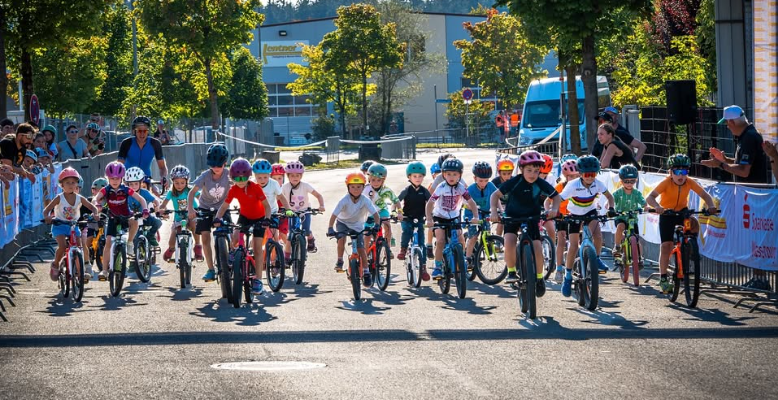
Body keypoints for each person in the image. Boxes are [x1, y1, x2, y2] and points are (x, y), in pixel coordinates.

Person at [490, 151, 560, 294]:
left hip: (532, 217)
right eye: (529, 170)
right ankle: (511, 272)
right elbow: (495, 195)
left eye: (536, 171)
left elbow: (556, 196)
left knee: (537, 247)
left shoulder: (540, 183)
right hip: (512, 216)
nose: (533, 174)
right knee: (509, 241)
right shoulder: (515, 181)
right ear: (521, 169)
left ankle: (539, 278)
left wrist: (554, 209)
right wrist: (494, 211)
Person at [646, 154, 717, 294]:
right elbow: (650, 197)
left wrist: (711, 206)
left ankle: (691, 248)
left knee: (693, 223)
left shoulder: (689, 182)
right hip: (667, 214)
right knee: (666, 246)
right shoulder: (666, 182)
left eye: (684, 172)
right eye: (677, 172)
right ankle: (663, 278)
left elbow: (705, 195)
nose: (681, 175)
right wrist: (658, 207)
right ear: (670, 172)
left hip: (682, 213)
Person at [557, 155, 616, 296]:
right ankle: (567, 276)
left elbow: (610, 197)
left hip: (590, 211)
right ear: (581, 174)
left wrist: (611, 208)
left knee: (598, 236)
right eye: (587, 174)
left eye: (593, 174)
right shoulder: (573, 185)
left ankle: (596, 258)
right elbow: (558, 199)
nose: (590, 178)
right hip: (574, 214)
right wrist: (555, 211)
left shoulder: (598, 184)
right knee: (573, 246)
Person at [213, 158, 272, 295]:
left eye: (243, 178)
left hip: (260, 218)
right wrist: (217, 218)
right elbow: (224, 206)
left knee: (257, 248)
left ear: (249, 177)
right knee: (235, 237)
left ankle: (258, 280)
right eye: (237, 178)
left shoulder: (255, 188)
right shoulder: (233, 189)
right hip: (244, 217)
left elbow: (267, 206)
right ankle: (233, 253)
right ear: (232, 178)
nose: (240, 181)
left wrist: (267, 219)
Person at [92, 161, 149, 281]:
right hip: (113, 218)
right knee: (108, 242)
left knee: (135, 221)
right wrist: (97, 204)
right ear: (108, 178)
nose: (115, 181)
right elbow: (95, 198)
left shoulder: (126, 189)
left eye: (117, 178)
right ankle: (105, 270)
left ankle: (130, 242)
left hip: (126, 217)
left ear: (122, 178)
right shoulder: (105, 190)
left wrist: (145, 209)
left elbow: (141, 199)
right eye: (112, 178)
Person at [425, 158, 479, 280]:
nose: (451, 177)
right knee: (440, 241)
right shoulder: (441, 187)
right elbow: (430, 203)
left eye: (455, 174)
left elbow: (471, 202)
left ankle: (462, 258)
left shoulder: (461, 188)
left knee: (460, 239)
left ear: (460, 175)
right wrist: (429, 219)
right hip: (439, 217)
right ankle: (438, 267)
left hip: (454, 217)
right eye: (448, 174)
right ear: (443, 175)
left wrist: (476, 216)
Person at [43, 168, 98, 282]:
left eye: (73, 182)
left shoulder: (79, 198)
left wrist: (95, 213)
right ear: (61, 185)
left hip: (73, 225)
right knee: (62, 246)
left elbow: (92, 207)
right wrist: (47, 217)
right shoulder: (59, 198)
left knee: (78, 247)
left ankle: (80, 273)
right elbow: (46, 210)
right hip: (59, 225)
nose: (71, 185)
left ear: (77, 184)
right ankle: (55, 264)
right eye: (67, 183)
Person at [328, 172, 381, 287]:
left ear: (363, 187)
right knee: (341, 239)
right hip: (343, 222)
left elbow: (375, 214)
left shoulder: (365, 200)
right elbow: (334, 215)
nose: (356, 189)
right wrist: (330, 228)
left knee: (361, 249)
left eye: (358, 187)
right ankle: (340, 260)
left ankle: (366, 272)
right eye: (352, 187)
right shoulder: (344, 200)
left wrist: (377, 225)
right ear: (348, 187)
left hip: (357, 225)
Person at [188, 144, 232, 282]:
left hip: (222, 208)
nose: (216, 168)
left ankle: (231, 255)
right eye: (213, 165)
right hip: (205, 208)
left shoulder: (229, 174)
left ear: (225, 163)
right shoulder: (205, 176)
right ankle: (211, 269)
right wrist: (191, 209)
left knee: (230, 231)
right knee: (205, 237)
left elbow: (239, 186)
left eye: (219, 165)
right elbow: (192, 193)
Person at [701, 105, 770, 183]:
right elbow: (745, 163)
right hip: (752, 188)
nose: (727, 127)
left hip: (751, 189)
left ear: (732, 122)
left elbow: (744, 171)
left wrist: (720, 164)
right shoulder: (749, 134)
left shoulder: (749, 137)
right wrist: (725, 159)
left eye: (726, 123)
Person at [282, 161, 325, 254]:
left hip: (305, 211)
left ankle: (310, 238)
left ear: (301, 176)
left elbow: (318, 195)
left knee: (306, 230)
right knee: (291, 233)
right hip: (291, 212)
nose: (295, 178)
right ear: (288, 176)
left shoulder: (305, 186)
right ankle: (289, 255)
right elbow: (278, 197)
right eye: (292, 176)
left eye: (297, 175)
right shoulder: (285, 187)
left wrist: (321, 205)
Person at [397, 161, 431, 281]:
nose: (417, 178)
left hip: (420, 219)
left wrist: (432, 215)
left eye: (420, 176)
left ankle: (423, 268)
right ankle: (403, 249)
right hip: (407, 218)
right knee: (406, 232)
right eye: (415, 176)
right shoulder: (407, 190)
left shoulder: (424, 191)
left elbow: (431, 202)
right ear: (409, 177)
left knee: (422, 244)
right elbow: (396, 201)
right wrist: (398, 212)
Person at [160, 165, 202, 262]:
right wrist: (162, 210)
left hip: (192, 215)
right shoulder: (171, 192)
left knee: (194, 225)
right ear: (172, 182)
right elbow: (163, 204)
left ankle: (197, 246)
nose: (179, 185)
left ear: (187, 181)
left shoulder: (190, 190)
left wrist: (203, 207)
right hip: (178, 218)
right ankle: (171, 249)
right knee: (173, 238)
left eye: (182, 182)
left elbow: (201, 198)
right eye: (176, 183)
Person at [118, 116, 169, 193]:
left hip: (146, 179)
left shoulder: (155, 143)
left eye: (144, 131)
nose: (142, 134)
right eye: (139, 131)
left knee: (156, 193)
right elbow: (119, 166)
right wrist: (120, 180)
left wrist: (163, 177)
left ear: (148, 131)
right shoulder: (126, 143)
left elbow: (162, 167)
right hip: (128, 179)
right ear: (135, 131)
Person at [363, 163, 402, 258]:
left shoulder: (386, 190)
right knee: (366, 235)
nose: (375, 183)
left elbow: (396, 201)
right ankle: (364, 254)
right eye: (373, 180)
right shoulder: (365, 189)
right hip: (369, 213)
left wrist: (400, 212)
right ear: (369, 179)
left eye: (379, 180)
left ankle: (387, 248)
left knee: (387, 224)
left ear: (383, 180)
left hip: (382, 210)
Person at [549, 158, 579, 282]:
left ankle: (578, 263)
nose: (574, 178)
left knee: (577, 240)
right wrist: (551, 211)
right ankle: (559, 268)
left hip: (576, 215)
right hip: (562, 216)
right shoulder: (560, 186)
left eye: (576, 175)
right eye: (571, 176)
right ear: (565, 176)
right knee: (561, 240)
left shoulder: (580, 185)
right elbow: (549, 201)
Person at [465, 161, 497, 273]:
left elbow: (496, 197)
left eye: (486, 180)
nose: (483, 183)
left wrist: (500, 211)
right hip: (472, 215)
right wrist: (470, 207)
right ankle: (468, 258)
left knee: (487, 231)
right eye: (481, 180)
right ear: (474, 178)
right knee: (473, 237)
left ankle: (488, 246)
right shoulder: (470, 189)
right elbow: (464, 202)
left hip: (485, 213)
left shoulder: (491, 186)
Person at [611, 165, 646, 258]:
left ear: (636, 180)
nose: (629, 184)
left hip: (632, 219)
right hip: (621, 217)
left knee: (636, 238)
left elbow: (643, 202)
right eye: (626, 181)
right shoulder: (618, 192)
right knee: (620, 227)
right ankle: (617, 246)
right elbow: (611, 200)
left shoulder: (637, 193)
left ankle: (639, 257)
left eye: (632, 181)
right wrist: (609, 206)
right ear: (621, 181)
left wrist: (646, 207)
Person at [124, 167, 162, 247]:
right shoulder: (125, 194)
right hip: (133, 220)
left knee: (158, 222)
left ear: (141, 182)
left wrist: (157, 206)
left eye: (136, 183)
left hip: (145, 216)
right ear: (127, 184)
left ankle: (150, 235)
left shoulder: (144, 192)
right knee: (135, 237)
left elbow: (155, 200)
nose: (133, 186)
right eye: (131, 184)